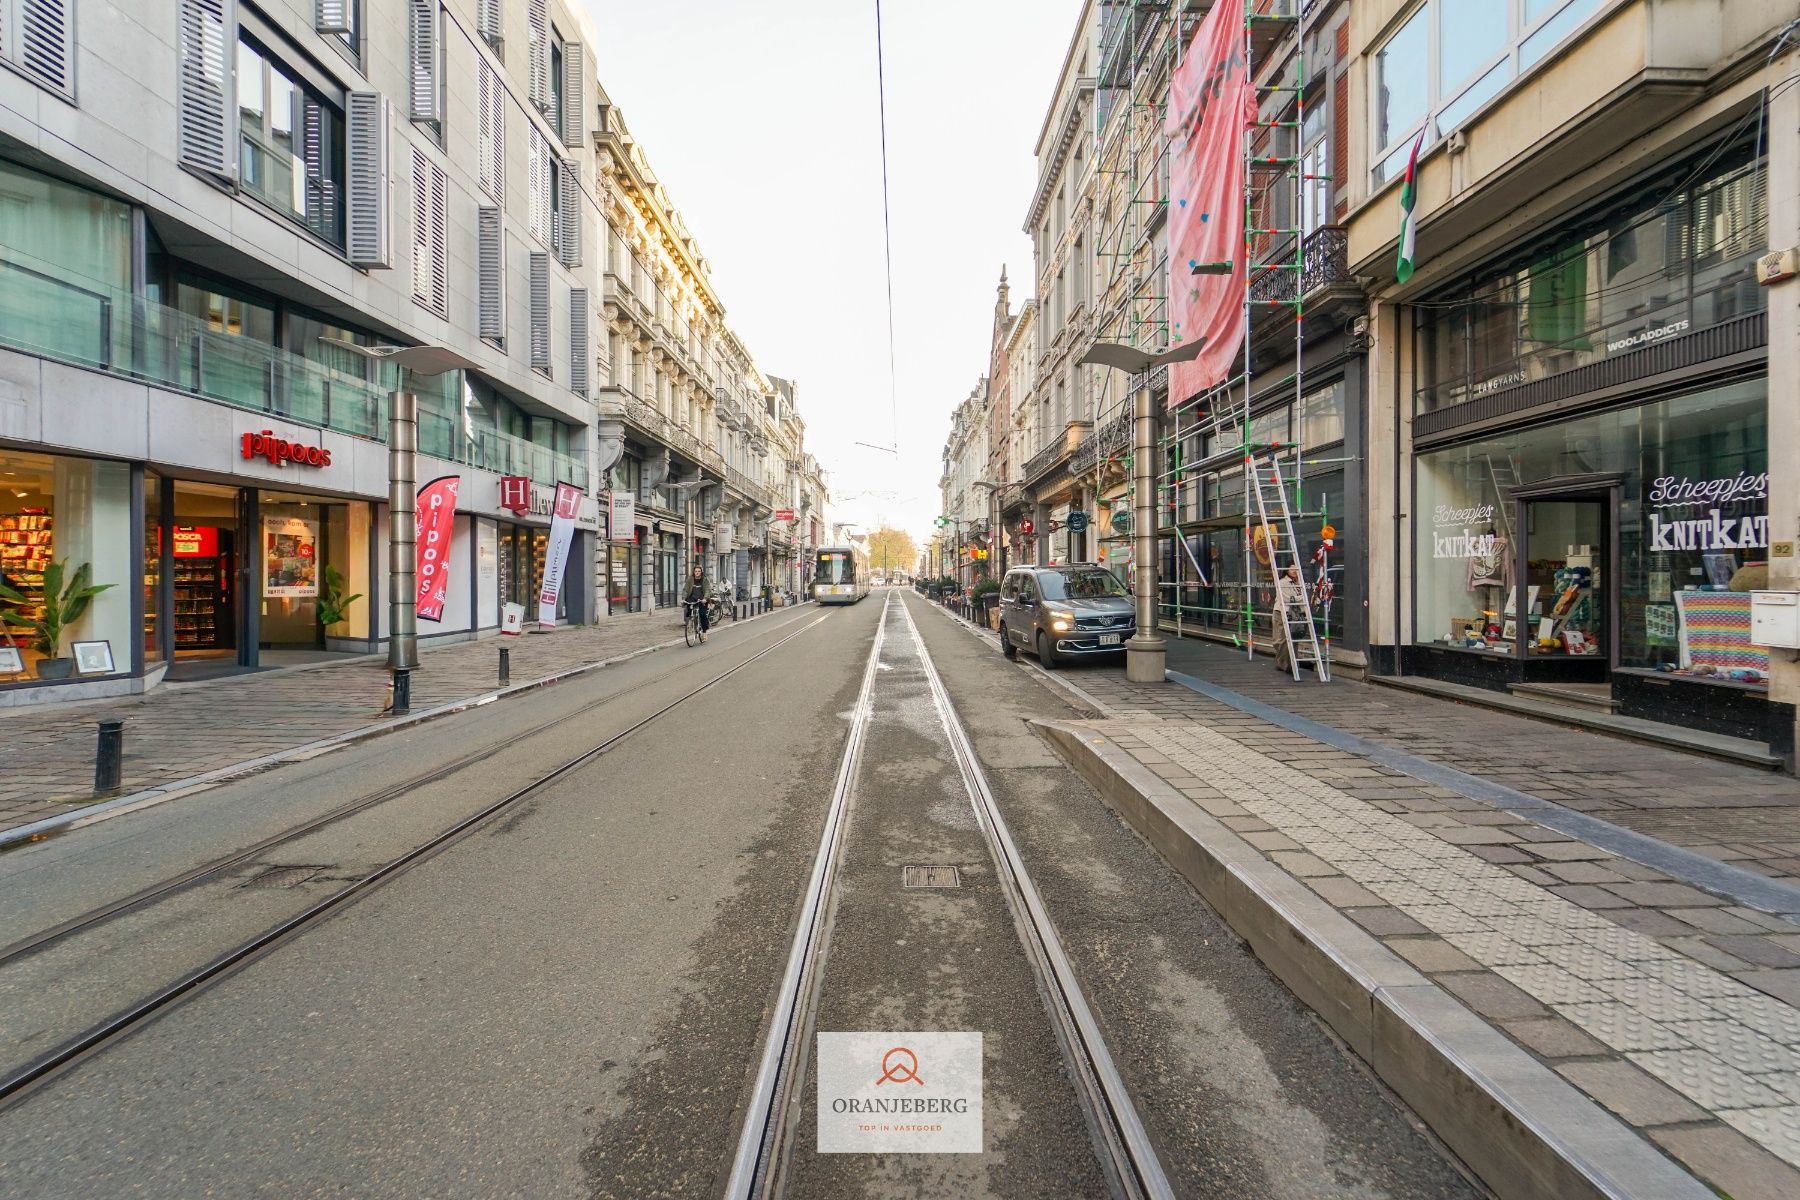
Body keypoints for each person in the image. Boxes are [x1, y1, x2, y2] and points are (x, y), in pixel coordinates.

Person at [684, 565, 709, 636]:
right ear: (693, 572)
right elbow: (685, 589)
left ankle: (704, 632)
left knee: (702, 614)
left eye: (699, 571)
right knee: (688, 605)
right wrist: (683, 598)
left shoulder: (705, 579)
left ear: (701, 572)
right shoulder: (690, 579)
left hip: (702, 599)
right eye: (696, 571)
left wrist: (705, 598)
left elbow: (707, 590)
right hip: (693, 597)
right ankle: (690, 620)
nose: (697, 573)